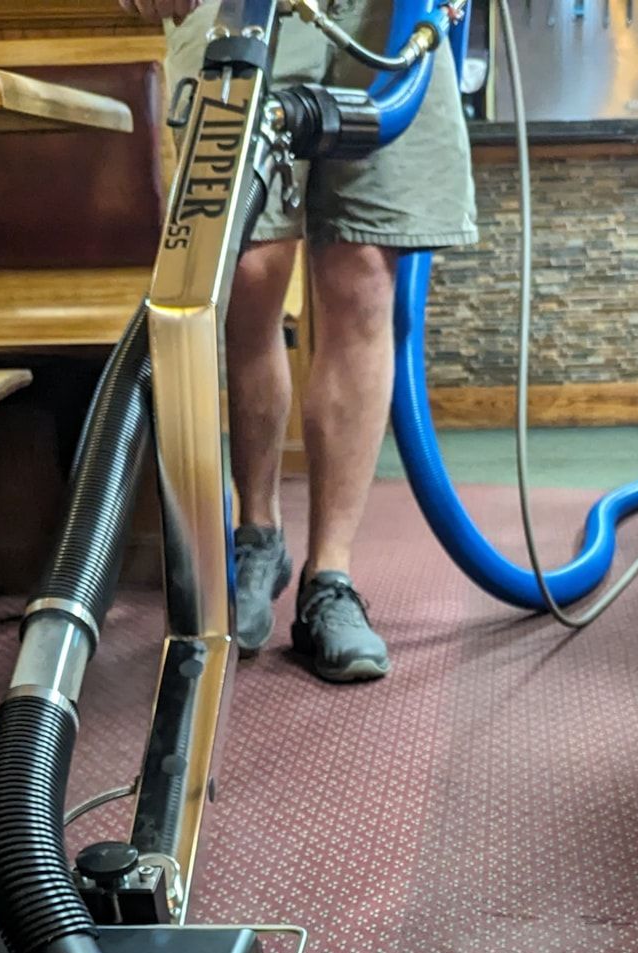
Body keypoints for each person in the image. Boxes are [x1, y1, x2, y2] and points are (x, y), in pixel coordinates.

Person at [121, 0, 476, 682]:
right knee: (247, 266)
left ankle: (330, 578)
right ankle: (257, 536)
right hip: (242, 8)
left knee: (364, 275)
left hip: (394, 14)